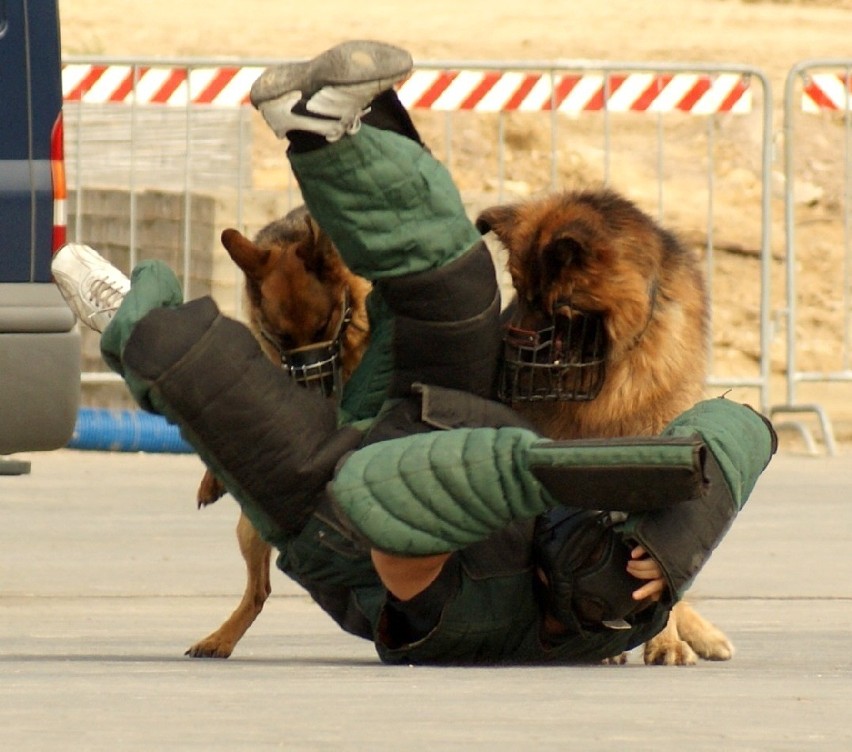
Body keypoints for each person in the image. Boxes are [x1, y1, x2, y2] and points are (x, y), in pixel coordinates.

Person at [52, 40, 777, 665]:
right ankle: (332, 133)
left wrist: (492, 477)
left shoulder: (480, 625)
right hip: (446, 408)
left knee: (256, 427)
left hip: (345, 494)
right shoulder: (609, 578)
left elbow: (399, 539)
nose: (603, 560)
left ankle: (133, 322)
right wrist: (674, 546)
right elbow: (738, 427)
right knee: (453, 285)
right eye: (616, 561)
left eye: (601, 572)